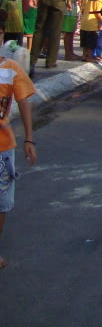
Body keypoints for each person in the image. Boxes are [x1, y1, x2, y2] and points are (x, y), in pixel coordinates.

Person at [0, 51, 38, 269]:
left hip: (3, 148)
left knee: (2, 204)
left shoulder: (12, 68)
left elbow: (24, 102)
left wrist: (29, 139)